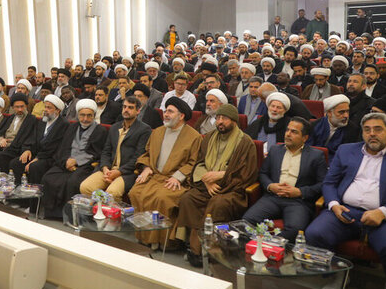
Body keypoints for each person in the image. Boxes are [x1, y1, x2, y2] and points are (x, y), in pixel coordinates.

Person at [305, 113, 386, 289]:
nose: (372, 134)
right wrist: (333, 204)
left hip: (382, 217)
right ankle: (338, 273)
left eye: (378, 129)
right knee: (314, 233)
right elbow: (329, 182)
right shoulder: (346, 151)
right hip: (344, 212)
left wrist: (383, 212)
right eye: (367, 130)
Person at [179, 104, 258, 265]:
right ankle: (191, 244)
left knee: (218, 203)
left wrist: (221, 175)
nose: (220, 122)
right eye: (218, 118)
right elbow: (200, 164)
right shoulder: (208, 137)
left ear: (234, 121)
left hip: (232, 189)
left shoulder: (245, 142)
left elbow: (246, 173)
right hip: (207, 185)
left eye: (224, 119)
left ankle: (209, 250)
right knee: (188, 198)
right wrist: (207, 182)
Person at [129, 98, 203, 249]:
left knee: (162, 198)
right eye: (165, 111)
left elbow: (194, 163)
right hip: (155, 175)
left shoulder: (194, 137)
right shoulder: (157, 132)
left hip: (176, 179)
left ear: (181, 116)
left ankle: (162, 241)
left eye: (170, 111)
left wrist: (178, 177)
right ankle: (143, 236)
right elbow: (147, 153)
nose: (166, 114)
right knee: (135, 191)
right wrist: (146, 168)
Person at [244, 117, 326, 242]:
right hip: (273, 197)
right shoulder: (275, 150)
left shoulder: (316, 156)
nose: (288, 134)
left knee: (295, 229)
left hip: (298, 202)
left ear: (305, 138)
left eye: (294, 132)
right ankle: (254, 249)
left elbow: (322, 184)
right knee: (247, 221)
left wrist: (300, 192)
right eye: (287, 130)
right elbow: (263, 173)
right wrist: (271, 186)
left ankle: (270, 247)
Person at [41, 99, 108, 218]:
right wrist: (67, 161)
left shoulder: (100, 130)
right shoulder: (72, 127)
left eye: (89, 115)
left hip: (86, 165)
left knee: (72, 182)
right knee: (48, 177)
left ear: (94, 116)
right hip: (66, 162)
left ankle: (70, 216)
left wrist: (77, 161)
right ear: (78, 115)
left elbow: (96, 153)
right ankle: (53, 214)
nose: (85, 119)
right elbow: (64, 147)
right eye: (82, 115)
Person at [80, 97, 152, 202]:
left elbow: (138, 156)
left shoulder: (144, 130)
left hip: (128, 172)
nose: (126, 110)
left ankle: (111, 217)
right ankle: (97, 215)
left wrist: (118, 172)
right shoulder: (114, 127)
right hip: (108, 169)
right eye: (124, 107)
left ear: (138, 111)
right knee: (85, 187)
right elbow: (106, 151)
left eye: (130, 108)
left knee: (112, 193)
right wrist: (105, 168)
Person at [10, 94, 69, 185]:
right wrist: (27, 150)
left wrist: (36, 159)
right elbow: (32, 138)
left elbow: (53, 147)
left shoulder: (63, 124)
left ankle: (34, 197)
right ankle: (19, 194)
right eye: (45, 107)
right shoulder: (42, 121)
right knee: (16, 163)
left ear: (58, 110)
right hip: (37, 154)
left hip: (50, 158)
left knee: (34, 167)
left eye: (49, 108)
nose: (45, 110)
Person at [0, 94, 38, 171]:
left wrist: (27, 149)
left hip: (18, 149)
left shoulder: (31, 119)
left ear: (26, 106)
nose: (20, 109)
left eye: (22, 106)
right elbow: (0, 132)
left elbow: (32, 137)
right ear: (12, 107)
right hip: (5, 148)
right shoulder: (10, 118)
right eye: (17, 107)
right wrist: (1, 139)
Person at [307, 94, 355, 160]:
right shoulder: (314, 125)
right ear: (329, 113)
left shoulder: (352, 129)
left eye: (347, 111)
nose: (346, 116)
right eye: (341, 112)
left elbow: (347, 155)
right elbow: (308, 149)